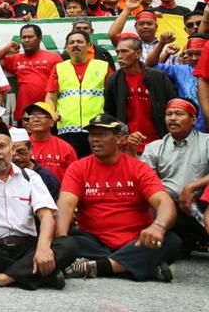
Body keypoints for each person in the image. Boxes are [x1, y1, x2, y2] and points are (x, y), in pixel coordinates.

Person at [0, 112, 78, 290]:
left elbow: (46, 216)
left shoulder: (30, 177)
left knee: (68, 245)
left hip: (27, 246)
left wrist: (43, 247)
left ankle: (1, 278)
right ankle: (39, 275)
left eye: (2, 146)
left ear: (12, 150)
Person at [59, 114, 181, 282]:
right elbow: (66, 204)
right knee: (68, 238)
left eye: (102, 134)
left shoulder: (139, 168)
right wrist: (62, 241)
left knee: (172, 241)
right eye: (92, 134)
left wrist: (158, 226)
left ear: (120, 139)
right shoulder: (78, 168)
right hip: (94, 241)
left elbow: (164, 202)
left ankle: (96, 266)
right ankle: (143, 265)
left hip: (137, 240)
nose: (94, 139)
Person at [140, 99, 209, 256]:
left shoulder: (206, 142)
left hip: (200, 206)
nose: (172, 118)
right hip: (167, 207)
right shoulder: (154, 147)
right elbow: (145, 182)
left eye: (179, 114)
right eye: (169, 114)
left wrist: (191, 187)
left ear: (193, 119)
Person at [104, 36, 176, 153]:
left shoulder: (157, 77)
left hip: (160, 143)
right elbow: (109, 112)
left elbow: (172, 105)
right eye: (118, 52)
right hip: (129, 145)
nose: (119, 56)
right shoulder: (114, 80)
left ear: (138, 54)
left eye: (124, 51)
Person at [46, 30, 110, 158]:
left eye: (79, 42)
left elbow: (112, 96)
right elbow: (50, 97)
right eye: (71, 42)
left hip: (96, 127)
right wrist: (52, 113)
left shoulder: (103, 66)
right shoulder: (59, 68)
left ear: (89, 46)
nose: (75, 45)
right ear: (67, 47)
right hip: (67, 129)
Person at [0, 24, 63, 124]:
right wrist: (6, 48)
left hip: (49, 113)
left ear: (40, 38)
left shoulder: (54, 58)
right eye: (23, 37)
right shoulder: (16, 58)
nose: (26, 40)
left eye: (30, 37)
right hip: (24, 114)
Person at [22, 102, 77, 182]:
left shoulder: (65, 148)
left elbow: (74, 177)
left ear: (52, 122)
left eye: (40, 116)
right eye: (32, 116)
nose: (36, 119)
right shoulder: (21, 147)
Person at [10, 127, 61, 200]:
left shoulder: (47, 177)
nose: (17, 157)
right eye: (12, 153)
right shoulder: (3, 176)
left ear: (30, 149)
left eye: (21, 152)